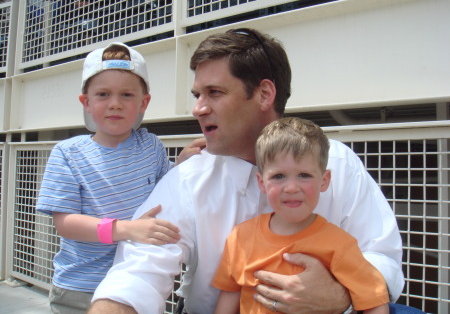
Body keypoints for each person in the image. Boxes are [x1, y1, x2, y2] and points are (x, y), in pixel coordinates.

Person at [89, 28, 409, 314]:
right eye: (197, 95)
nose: (198, 108)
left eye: (214, 92)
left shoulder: (338, 163)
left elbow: (383, 257)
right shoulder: (187, 179)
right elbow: (137, 273)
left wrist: (340, 295)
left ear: (264, 94)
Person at [36, 42, 203, 313]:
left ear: (143, 102)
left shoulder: (151, 146)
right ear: (86, 102)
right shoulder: (68, 153)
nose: (115, 104)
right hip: (80, 287)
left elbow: (166, 189)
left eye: (126, 95)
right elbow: (65, 223)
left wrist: (182, 163)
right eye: (103, 94)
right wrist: (128, 229)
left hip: (137, 283)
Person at [213, 117, 389, 314]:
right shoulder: (240, 238)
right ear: (261, 182)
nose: (291, 188)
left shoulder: (340, 245)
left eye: (304, 175)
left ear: (324, 180)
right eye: (279, 176)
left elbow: (374, 300)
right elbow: (230, 293)